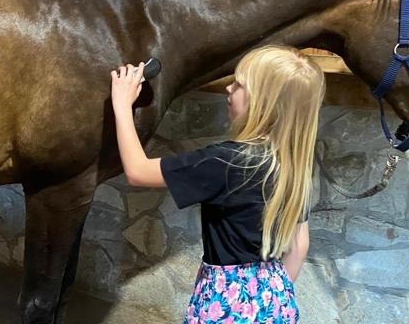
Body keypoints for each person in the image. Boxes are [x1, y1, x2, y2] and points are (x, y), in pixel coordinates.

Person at [110, 46, 324, 324]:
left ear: (263, 102)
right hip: (276, 300)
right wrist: (265, 301)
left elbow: (138, 171)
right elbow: (299, 244)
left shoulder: (226, 162)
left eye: (239, 84)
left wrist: (122, 104)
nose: (228, 88)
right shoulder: (293, 162)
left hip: (226, 304)